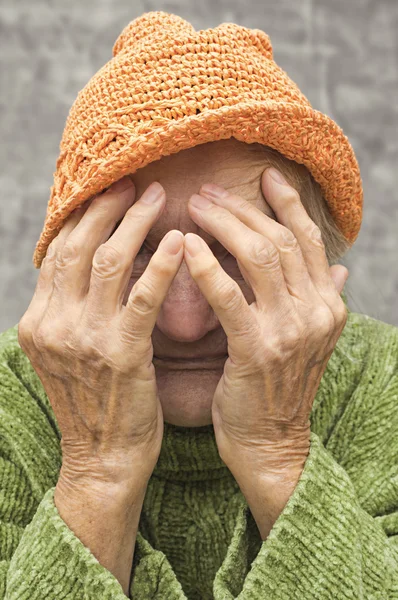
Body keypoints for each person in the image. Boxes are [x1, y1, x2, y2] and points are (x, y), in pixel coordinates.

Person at [0, 10, 397, 600]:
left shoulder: (384, 383)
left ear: (310, 247)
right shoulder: (11, 401)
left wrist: (278, 450)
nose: (185, 323)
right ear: (76, 261)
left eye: (235, 252)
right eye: (138, 253)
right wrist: (97, 470)